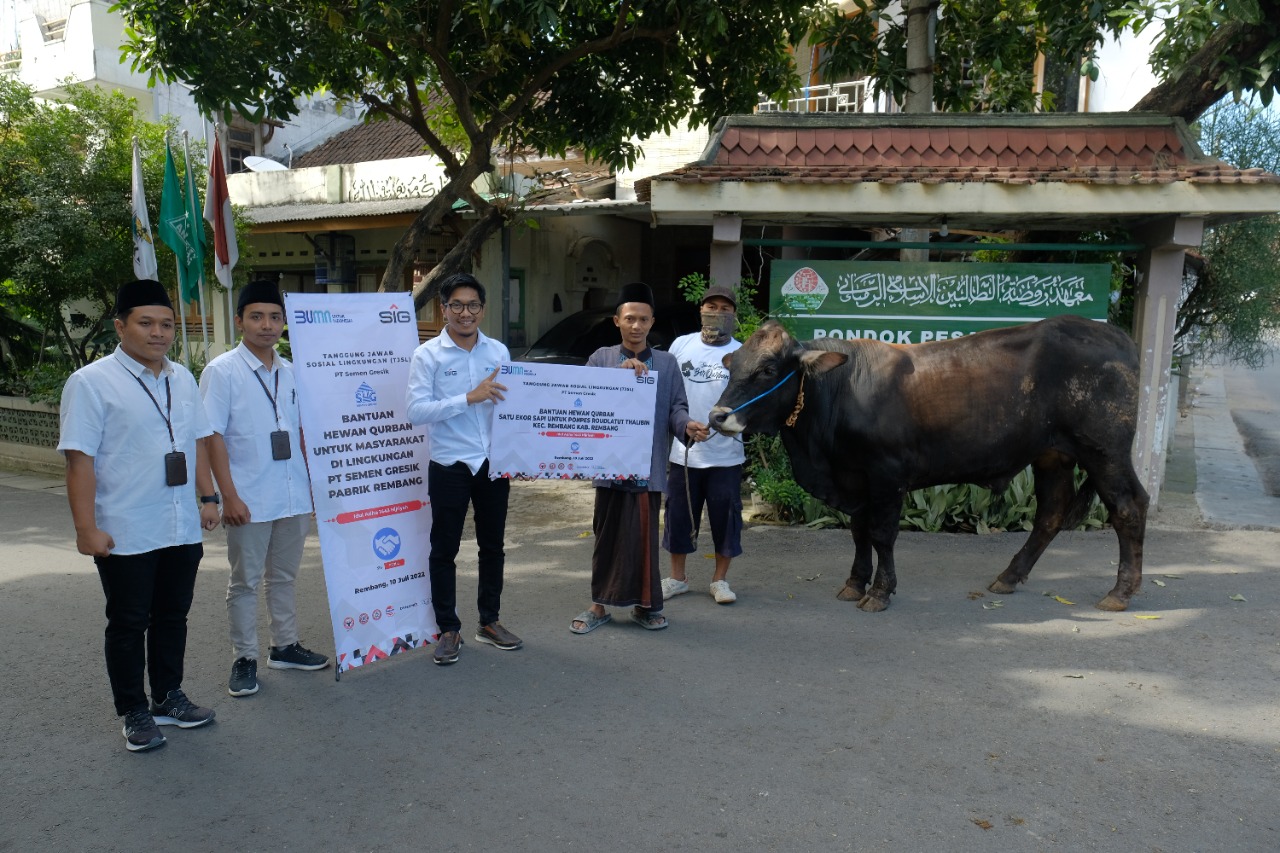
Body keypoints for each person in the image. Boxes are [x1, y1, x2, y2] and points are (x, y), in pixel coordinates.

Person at [58, 278, 220, 753]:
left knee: (173, 615)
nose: (158, 333)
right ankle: (133, 709)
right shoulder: (90, 383)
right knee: (129, 622)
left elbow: (197, 441)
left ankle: (169, 696)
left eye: (166, 324)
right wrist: (86, 528)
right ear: (120, 326)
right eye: (146, 323)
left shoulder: (182, 378)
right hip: (125, 527)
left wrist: (208, 498)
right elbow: (79, 460)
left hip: (178, 524)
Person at [201, 280, 328, 698]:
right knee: (245, 582)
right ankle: (244, 657)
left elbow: (303, 432)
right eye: (256, 316)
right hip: (249, 498)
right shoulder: (222, 372)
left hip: (293, 493)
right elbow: (211, 436)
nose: (267, 325)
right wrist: (227, 496)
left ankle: (284, 646)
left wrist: (312, 488)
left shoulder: (292, 372)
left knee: (285, 577)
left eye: (275, 317)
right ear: (239, 321)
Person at [570, 282, 703, 635]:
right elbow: (580, 399)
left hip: (647, 468)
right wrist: (618, 377)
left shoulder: (667, 363)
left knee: (643, 540)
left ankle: (646, 607)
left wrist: (686, 425)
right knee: (606, 537)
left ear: (651, 321)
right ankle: (598, 605)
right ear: (617, 321)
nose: (636, 326)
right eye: (629, 318)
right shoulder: (601, 358)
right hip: (609, 469)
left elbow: (677, 408)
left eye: (643, 319)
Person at [406, 272, 521, 665]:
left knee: (493, 547)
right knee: (444, 549)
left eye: (473, 305)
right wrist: (468, 398)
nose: (465, 313)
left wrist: (521, 454)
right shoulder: (428, 356)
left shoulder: (498, 352)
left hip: (493, 463)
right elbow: (416, 410)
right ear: (444, 309)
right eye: (457, 305)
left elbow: (515, 408)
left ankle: (489, 621)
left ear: (482, 310)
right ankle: (448, 628)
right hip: (449, 464)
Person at [661, 285, 745, 604]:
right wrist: (684, 426)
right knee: (679, 517)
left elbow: (749, 403)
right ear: (701, 311)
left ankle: (720, 581)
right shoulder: (680, 345)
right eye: (712, 306)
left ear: (734, 315)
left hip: (726, 456)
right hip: (683, 455)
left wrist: (726, 426)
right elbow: (666, 393)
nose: (718, 313)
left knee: (726, 518)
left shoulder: (742, 353)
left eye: (725, 308)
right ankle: (677, 578)